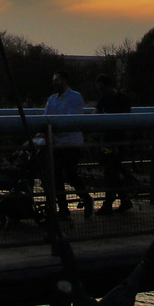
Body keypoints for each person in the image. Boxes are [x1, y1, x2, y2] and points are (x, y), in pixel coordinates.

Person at [44, 70, 94, 217]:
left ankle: (86, 198)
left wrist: (53, 128)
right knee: (57, 176)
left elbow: (71, 118)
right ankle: (63, 209)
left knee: (70, 174)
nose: (54, 83)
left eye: (57, 80)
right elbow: (45, 117)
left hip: (72, 143)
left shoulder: (75, 97)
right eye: (53, 80)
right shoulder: (52, 99)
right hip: (56, 143)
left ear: (65, 81)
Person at [92, 73, 134, 212]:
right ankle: (121, 199)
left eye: (101, 88)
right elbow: (96, 113)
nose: (100, 91)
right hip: (109, 140)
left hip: (118, 140)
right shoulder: (105, 99)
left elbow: (126, 118)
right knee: (111, 171)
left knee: (110, 171)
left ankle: (110, 202)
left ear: (108, 86)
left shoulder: (122, 99)